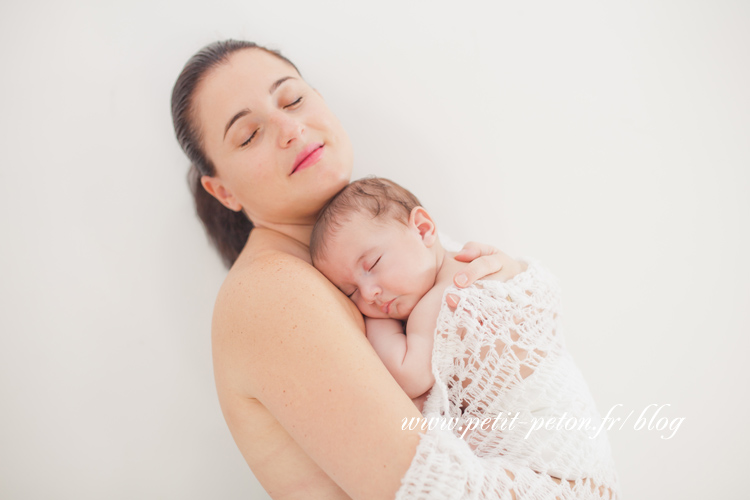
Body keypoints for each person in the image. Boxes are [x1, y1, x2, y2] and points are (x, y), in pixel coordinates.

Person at [171, 39, 619, 499]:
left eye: (293, 99)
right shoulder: (272, 294)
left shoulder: (376, 232)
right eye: (248, 135)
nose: (289, 128)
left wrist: (506, 284)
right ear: (222, 190)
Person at [309, 177, 620, 484]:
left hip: (544, 440)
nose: (368, 294)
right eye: (350, 292)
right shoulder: (463, 261)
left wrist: (375, 323)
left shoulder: (444, 298)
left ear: (423, 229)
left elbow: (409, 375)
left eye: (373, 264)